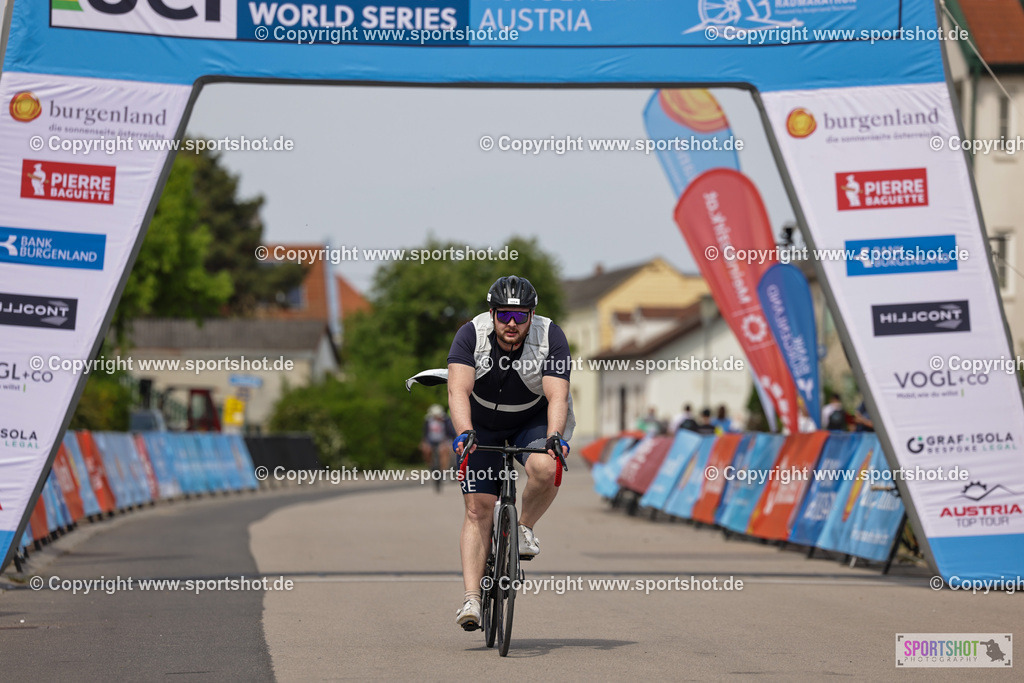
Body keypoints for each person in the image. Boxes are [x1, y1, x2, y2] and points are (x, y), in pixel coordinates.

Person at [447, 275, 573, 631]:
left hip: (529, 419)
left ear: (532, 315)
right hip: (481, 422)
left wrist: (554, 436)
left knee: (547, 468)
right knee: (478, 508)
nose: (513, 324)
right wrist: (465, 433)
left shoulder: (551, 336)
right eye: (505, 316)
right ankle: (472, 598)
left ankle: (524, 528)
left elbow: (558, 395)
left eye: (521, 316)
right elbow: (458, 391)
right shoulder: (470, 333)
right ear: (493, 313)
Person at [421, 404, 456, 491]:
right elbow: (425, 434)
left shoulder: (446, 421)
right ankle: (431, 466)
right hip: (431, 441)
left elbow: (451, 434)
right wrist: (425, 443)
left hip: (444, 441)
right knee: (425, 449)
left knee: (443, 451)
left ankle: (443, 471)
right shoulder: (428, 421)